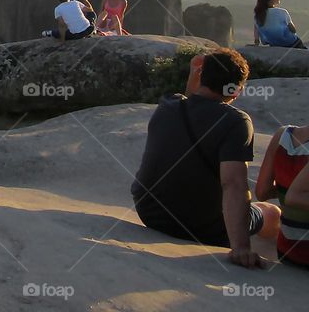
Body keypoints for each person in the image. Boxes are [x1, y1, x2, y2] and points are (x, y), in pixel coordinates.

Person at [130, 49, 281, 268]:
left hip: (150, 213)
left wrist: (195, 74)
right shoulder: (235, 121)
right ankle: (276, 260)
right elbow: (234, 184)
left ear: (201, 77)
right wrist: (241, 248)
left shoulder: (168, 105)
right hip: (202, 229)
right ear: (236, 90)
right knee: (271, 212)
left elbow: (192, 105)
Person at [256, 123, 309, 267]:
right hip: (306, 254)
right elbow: (294, 196)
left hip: (286, 249)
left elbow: (262, 192)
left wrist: (283, 187)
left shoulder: (283, 134)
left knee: (270, 211)